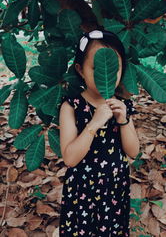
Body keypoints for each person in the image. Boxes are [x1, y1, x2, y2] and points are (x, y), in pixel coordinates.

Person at [58, 30, 140, 237]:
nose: (107, 75)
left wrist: (123, 120)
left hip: (114, 188)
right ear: (80, 70)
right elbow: (70, 158)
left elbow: (133, 152)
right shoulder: (72, 106)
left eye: (115, 68)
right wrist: (94, 123)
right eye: (96, 68)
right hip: (82, 190)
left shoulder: (123, 106)